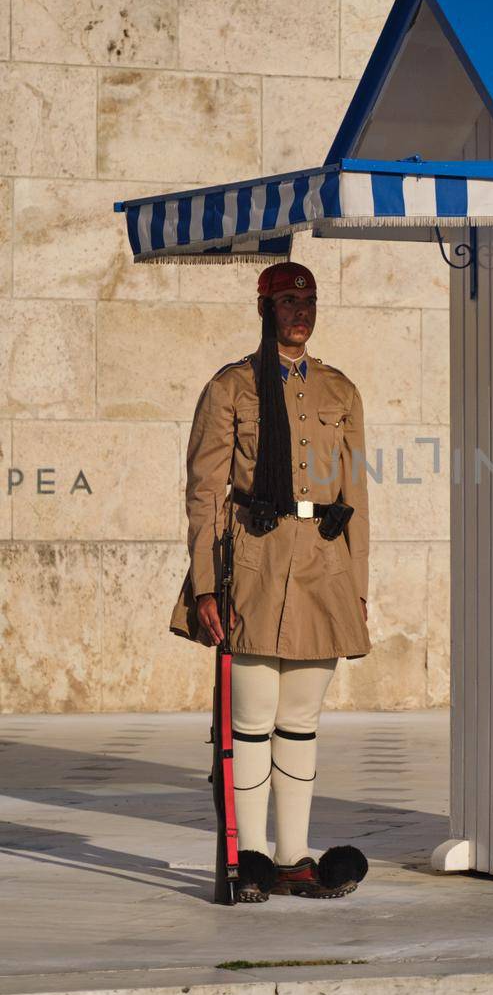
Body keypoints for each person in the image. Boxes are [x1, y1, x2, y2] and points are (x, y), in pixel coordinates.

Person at [171, 261, 371, 904]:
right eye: (287, 302)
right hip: (253, 561)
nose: (300, 313)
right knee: (252, 720)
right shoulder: (233, 387)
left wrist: (357, 588)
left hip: (322, 563)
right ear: (265, 309)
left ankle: (294, 857)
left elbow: (356, 495)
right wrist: (206, 585)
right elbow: (205, 492)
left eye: (308, 302)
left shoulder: (340, 390)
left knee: (302, 719)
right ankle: (249, 856)